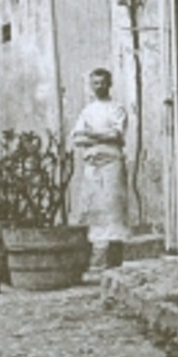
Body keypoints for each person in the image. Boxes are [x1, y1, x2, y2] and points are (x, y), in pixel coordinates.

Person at [69, 67, 131, 243]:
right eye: (96, 83)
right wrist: (102, 136)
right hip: (92, 163)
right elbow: (77, 138)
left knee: (113, 205)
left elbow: (116, 135)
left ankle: (115, 249)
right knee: (93, 205)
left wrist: (92, 134)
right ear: (91, 85)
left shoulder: (116, 108)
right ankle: (97, 246)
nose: (99, 86)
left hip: (112, 162)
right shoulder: (87, 111)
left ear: (109, 84)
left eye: (103, 83)